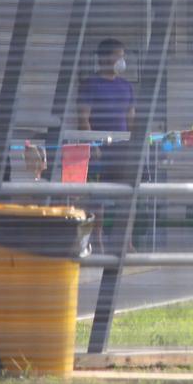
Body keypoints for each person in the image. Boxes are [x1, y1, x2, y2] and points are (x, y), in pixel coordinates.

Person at [77, 38, 135, 253]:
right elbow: (84, 117)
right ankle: (98, 241)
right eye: (117, 56)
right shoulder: (90, 84)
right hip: (100, 150)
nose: (121, 60)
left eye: (123, 56)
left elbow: (131, 117)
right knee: (97, 199)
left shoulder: (126, 86)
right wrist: (93, 145)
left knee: (127, 195)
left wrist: (134, 143)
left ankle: (125, 242)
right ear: (104, 58)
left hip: (122, 149)